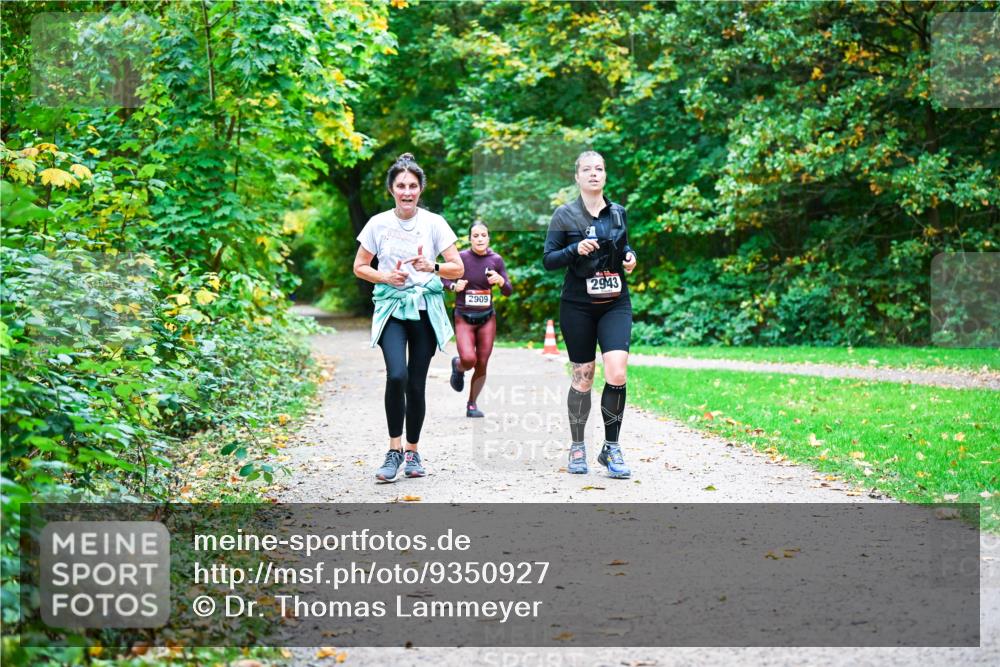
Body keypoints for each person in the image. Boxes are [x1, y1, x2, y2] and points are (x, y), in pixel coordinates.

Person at [353, 153, 464, 483]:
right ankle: (393, 450)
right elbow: (360, 267)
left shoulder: (434, 223)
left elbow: (457, 267)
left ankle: (413, 451)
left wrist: (431, 267)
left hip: (424, 310)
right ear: (391, 189)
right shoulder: (378, 224)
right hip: (392, 309)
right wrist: (386, 277)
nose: (406, 191)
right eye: (400, 185)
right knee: (396, 375)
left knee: (416, 384)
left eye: (412, 186)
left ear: (420, 189)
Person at [542, 151, 637, 479]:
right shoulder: (564, 215)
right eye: (587, 169)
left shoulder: (619, 213)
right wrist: (574, 249)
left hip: (615, 302)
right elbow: (549, 259)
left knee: (617, 372)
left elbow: (624, 247)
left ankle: (611, 448)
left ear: (605, 175)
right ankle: (578, 445)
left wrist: (629, 256)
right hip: (578, 305)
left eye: (599, 169)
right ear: (577, 177)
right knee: (583, 377)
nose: (594, 174)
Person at [442, 222, 513, 418]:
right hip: (464, 316)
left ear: (488, 238)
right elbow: (443, 279)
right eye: (475, 236)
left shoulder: (496, 260)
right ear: (470, 239)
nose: (480, 239)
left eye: (483, 235)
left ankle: (472, 404)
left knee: (482, 362)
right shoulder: (461, 258)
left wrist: (500, 281)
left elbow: (508, 290)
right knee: (469, 359)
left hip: (487, 318)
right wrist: (454, 286)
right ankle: (458, 365)